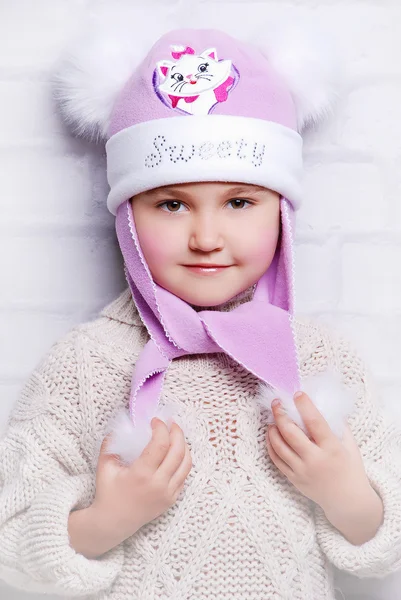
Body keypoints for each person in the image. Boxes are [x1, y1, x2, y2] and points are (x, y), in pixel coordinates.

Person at [0, 18, 401, 600]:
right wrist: (107, 520)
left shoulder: (317, 359)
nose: (206, 236)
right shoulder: (87, 364)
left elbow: (387, 539)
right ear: (127, 219)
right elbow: (9, 540)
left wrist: (346, 493)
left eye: (239, 201)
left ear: (282, 214)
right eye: (171, 204)